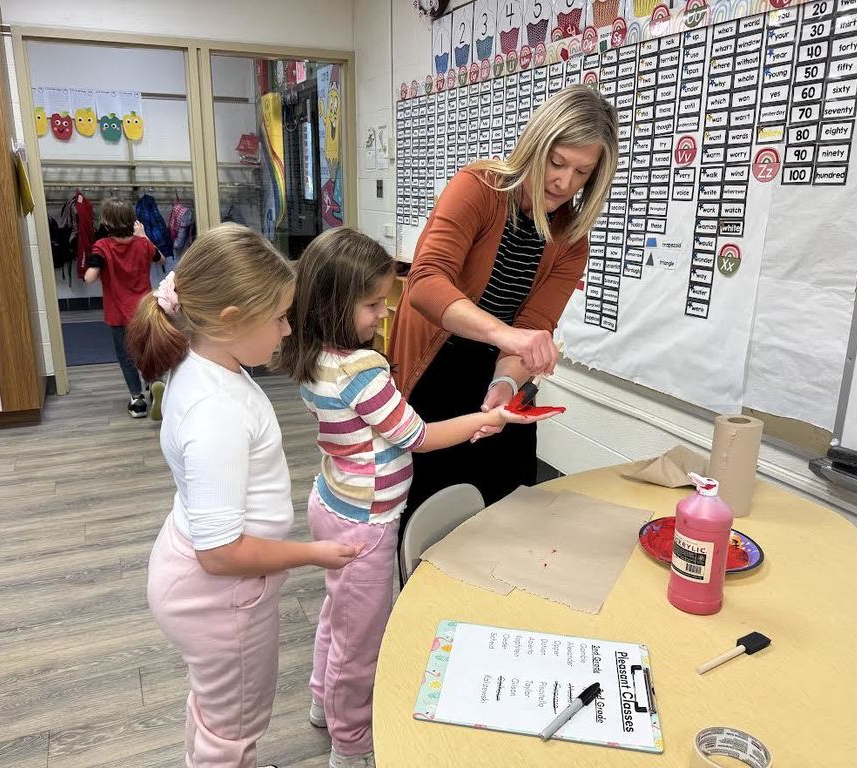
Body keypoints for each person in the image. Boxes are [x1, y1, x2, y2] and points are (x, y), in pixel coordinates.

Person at [274, 227, 556, 768]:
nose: (384, 314)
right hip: (366, 524)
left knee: (339, 616)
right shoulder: (363, 372)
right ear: (335, 304)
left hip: (331, 500)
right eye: (373, 304)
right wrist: (488, 418)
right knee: (362, 641)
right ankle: (350, 743)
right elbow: (417, 437)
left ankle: (321, 701)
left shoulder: (313, 356)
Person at [130, 224, 362, 768]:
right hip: (220, 592)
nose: (287, 330)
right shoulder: (218, 412)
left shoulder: (209, 365)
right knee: (234, 723)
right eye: (280, 316)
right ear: (232, 320)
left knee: (217, 709)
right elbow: (221, 554)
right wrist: (315, 554)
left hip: (198, 575)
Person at [389, 84, 619, 526]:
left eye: (581, 172)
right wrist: (508, 335)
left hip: (497, 369)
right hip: (434, 364)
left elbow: (535, 323)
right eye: (557, 162)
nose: (564, 182)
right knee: (428, 508)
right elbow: (425, 283)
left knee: (506, 501)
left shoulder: (571, 237)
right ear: (536, 145)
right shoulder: (478, 188)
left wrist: (505, 388)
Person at [84, 198, 162, 418]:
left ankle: (137, 401)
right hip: (145, 311)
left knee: (126, 356)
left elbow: (90, 278)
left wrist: (96, 267)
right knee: (148, 351)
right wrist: (144, 237)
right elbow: (161, 259)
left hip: (119, 315)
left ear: (106, 222)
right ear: (132, 221)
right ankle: (156, 385)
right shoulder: (143, 244)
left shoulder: (102, 247)